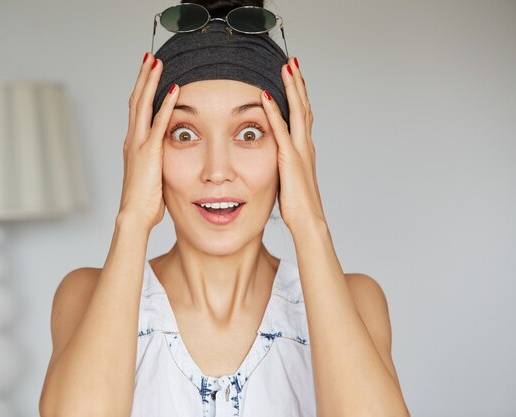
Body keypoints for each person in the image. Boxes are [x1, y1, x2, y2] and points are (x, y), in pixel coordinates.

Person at [39, 1, 410, 416]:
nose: (217, 171)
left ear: (291, 150)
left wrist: (310, 224)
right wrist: (132, 220)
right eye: (184, 134)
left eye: (250, 134)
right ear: (148, 152)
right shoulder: (85, 295)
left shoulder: (357, 301)